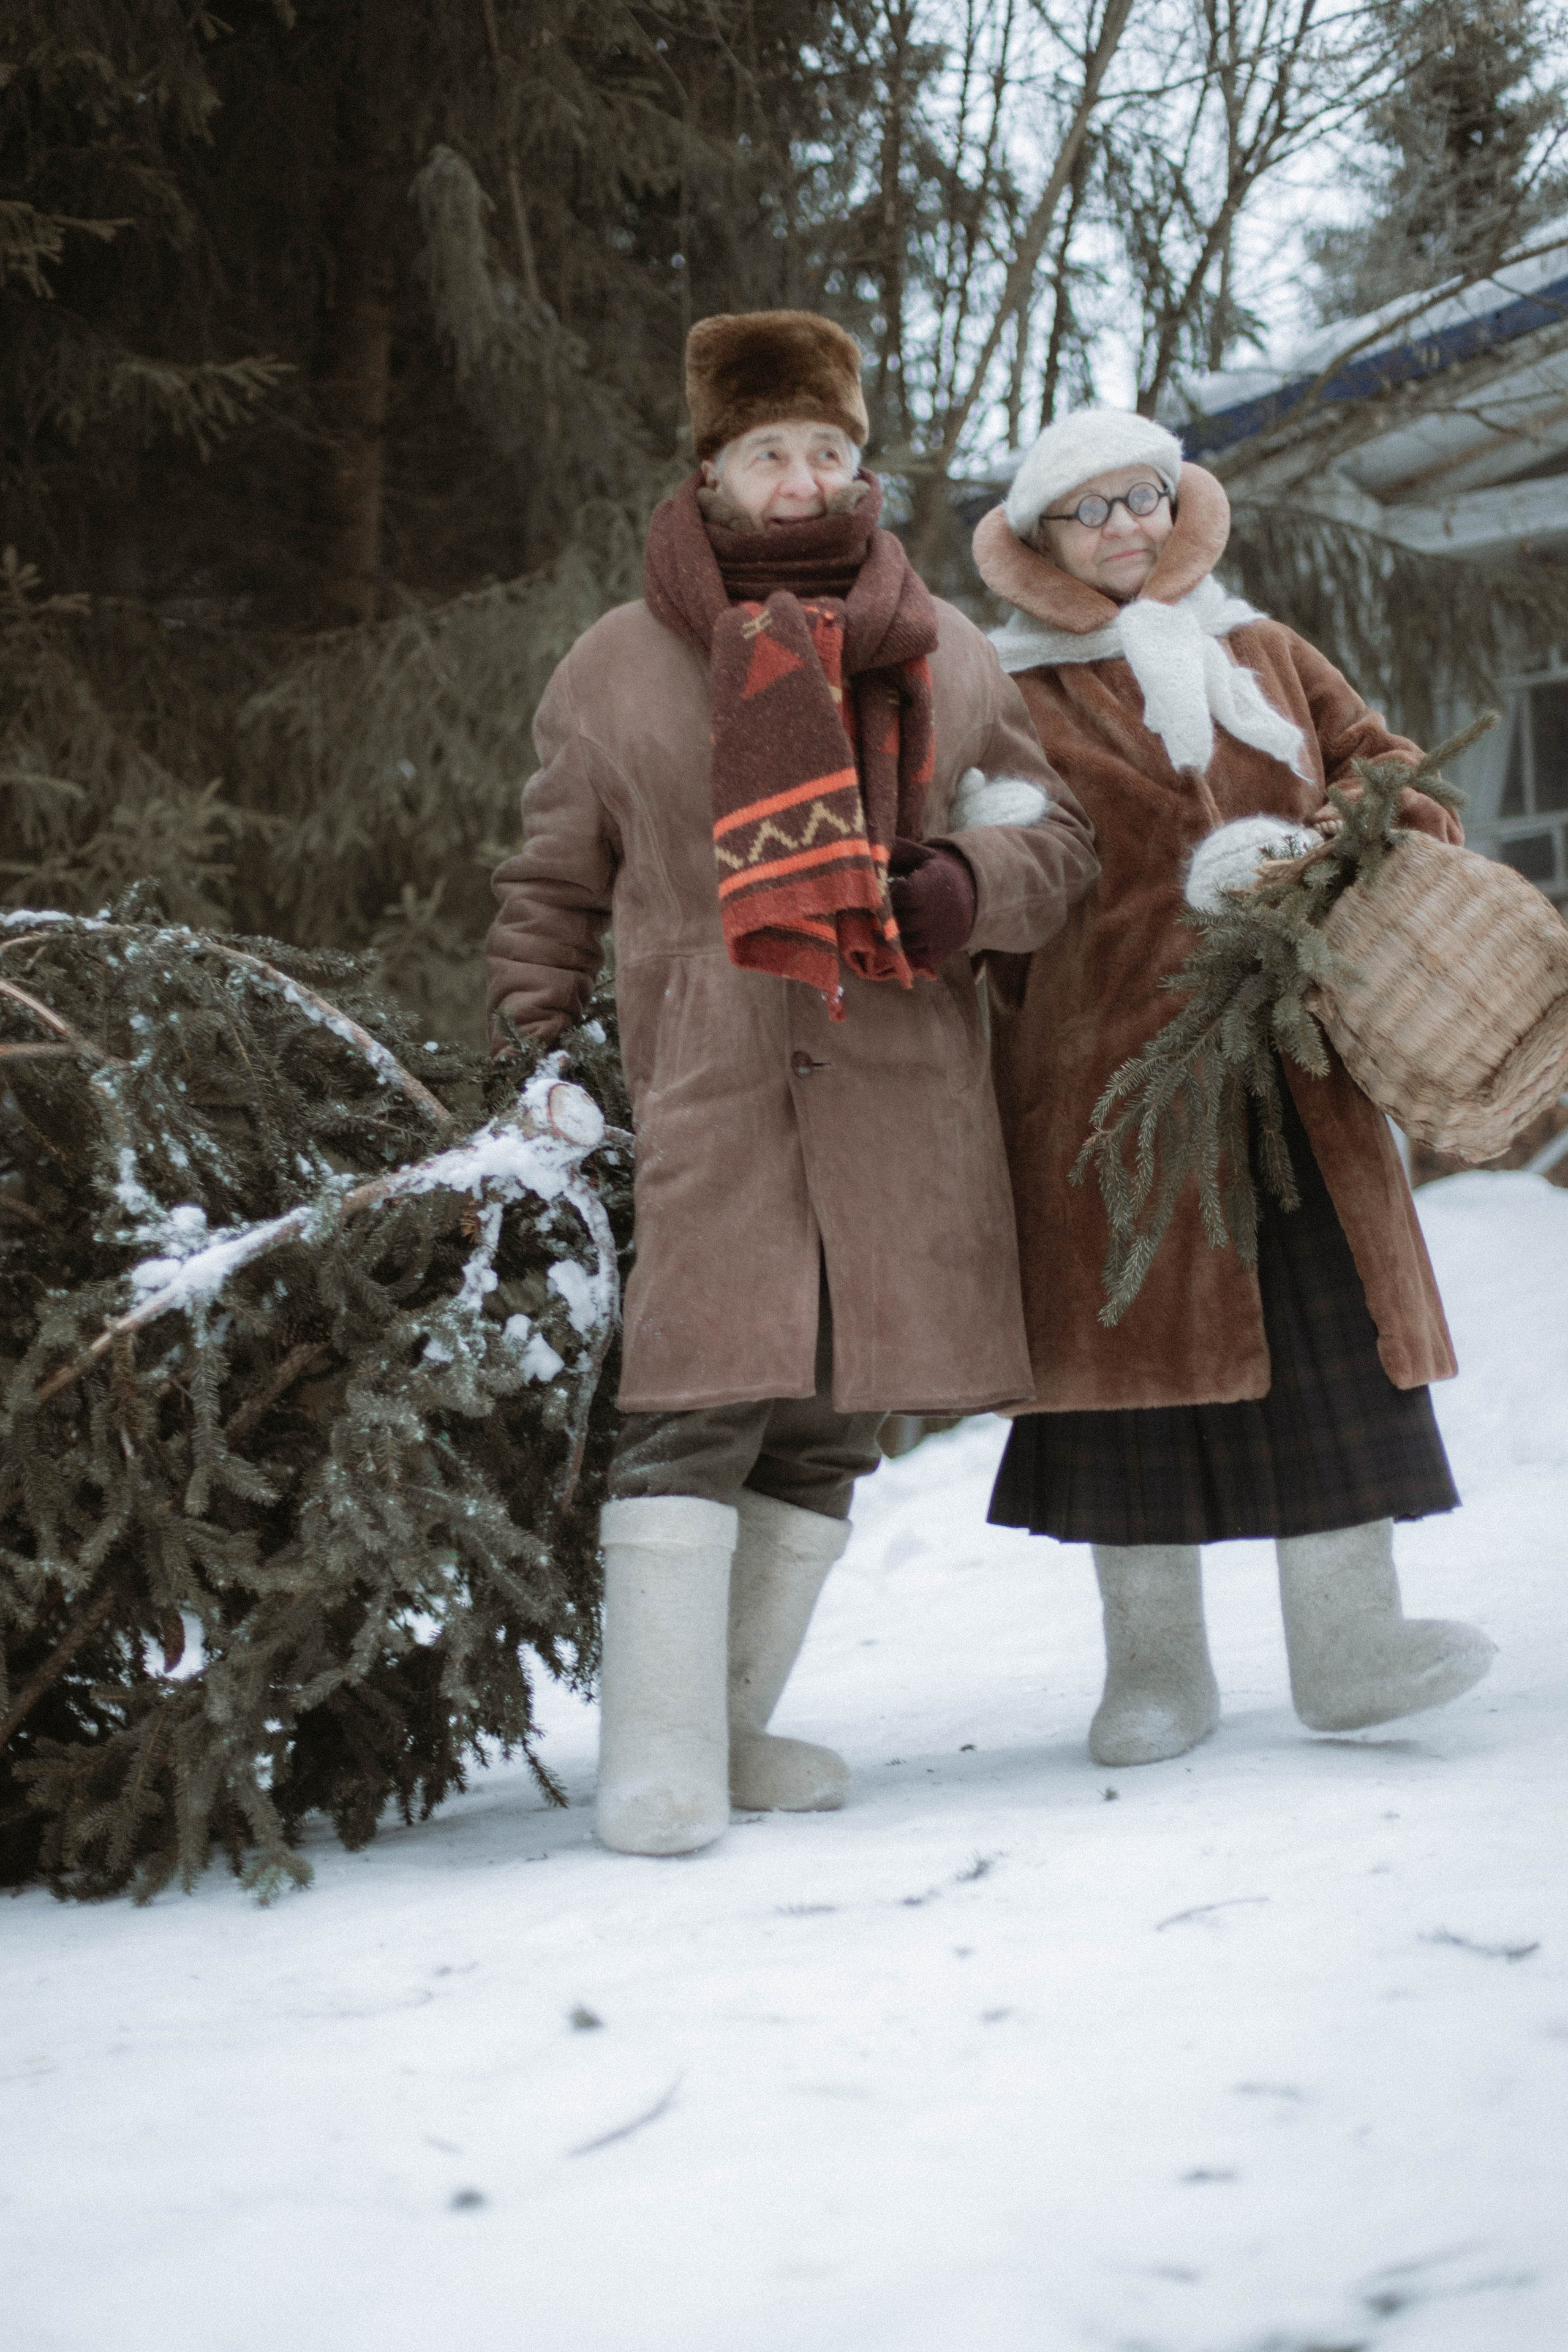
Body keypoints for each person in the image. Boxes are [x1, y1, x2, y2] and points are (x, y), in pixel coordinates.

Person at [486, 311, 1098, 1855]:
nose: (805, 479)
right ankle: (658, 1764)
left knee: (830, 1425)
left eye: (829, 450)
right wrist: (536, 1049)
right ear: (710, 471)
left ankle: (729, 1735)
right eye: (771, 452)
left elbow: (1056, 840)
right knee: (694, 1407)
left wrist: (970, 885)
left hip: (900, 1085)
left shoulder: (943, 649)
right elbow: (550, 884)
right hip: (716, 1080)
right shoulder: (618, 663)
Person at [970, 405, 1495, 1768]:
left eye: (1142, 495)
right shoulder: (1004, 692)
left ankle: (1350, 1650)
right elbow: (1005, 891)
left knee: (1333, 1349)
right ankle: (1154, 1676)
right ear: (1038, 540)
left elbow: (1391, 776)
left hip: (1296, 1067)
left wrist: (1319, 845)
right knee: (1135, 1375)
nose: (1125, 526)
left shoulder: (1263, 649)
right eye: (1090, 509)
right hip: (1109, 1084)